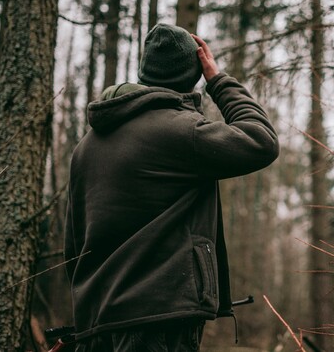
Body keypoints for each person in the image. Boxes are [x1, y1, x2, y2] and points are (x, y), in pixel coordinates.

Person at [64, 23, 280, 352]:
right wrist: (218, 81)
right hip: (159, 318)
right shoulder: (183, 132)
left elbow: (73, 245)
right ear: (192, 74)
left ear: (144, 72)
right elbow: (262, 141)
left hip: (96, 322)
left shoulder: (86, 147)